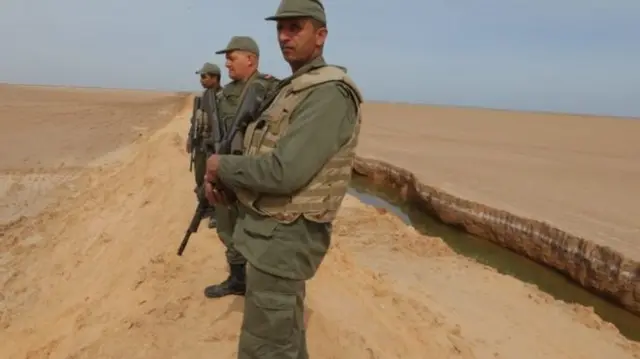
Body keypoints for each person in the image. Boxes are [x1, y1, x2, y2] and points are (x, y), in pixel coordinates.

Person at [204, 0, 363, 357]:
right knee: (284, 341)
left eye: (296, 28)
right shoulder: (297, 88)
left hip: (285, 242)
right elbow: (263, 156)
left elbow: (284, 172)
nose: (284, 37)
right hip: (270, 237)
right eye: (281, 28)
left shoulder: (328, 93)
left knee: (264, 348)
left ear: (320, 36)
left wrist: (221, 166)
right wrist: (233, 188)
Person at [203, 36, 279, 299]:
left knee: (260, 232)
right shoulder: (225, 95)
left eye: (231, 58)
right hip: (227, 171)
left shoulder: (271, 89)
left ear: (251, 59)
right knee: (227, 226)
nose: (226, 64)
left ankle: (264, 287)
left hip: (255, 174)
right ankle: (237, 279)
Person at [187, 62, 222, 228]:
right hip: (200, 145)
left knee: (214, 181)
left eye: (204, 76)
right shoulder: (202, 99)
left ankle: (217, 213)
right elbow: (195, 121)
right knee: (200, 178)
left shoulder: (223, 98)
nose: (201, 80)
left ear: (215, 78)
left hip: (214, 146)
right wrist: (190, 138)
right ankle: (205, 208)